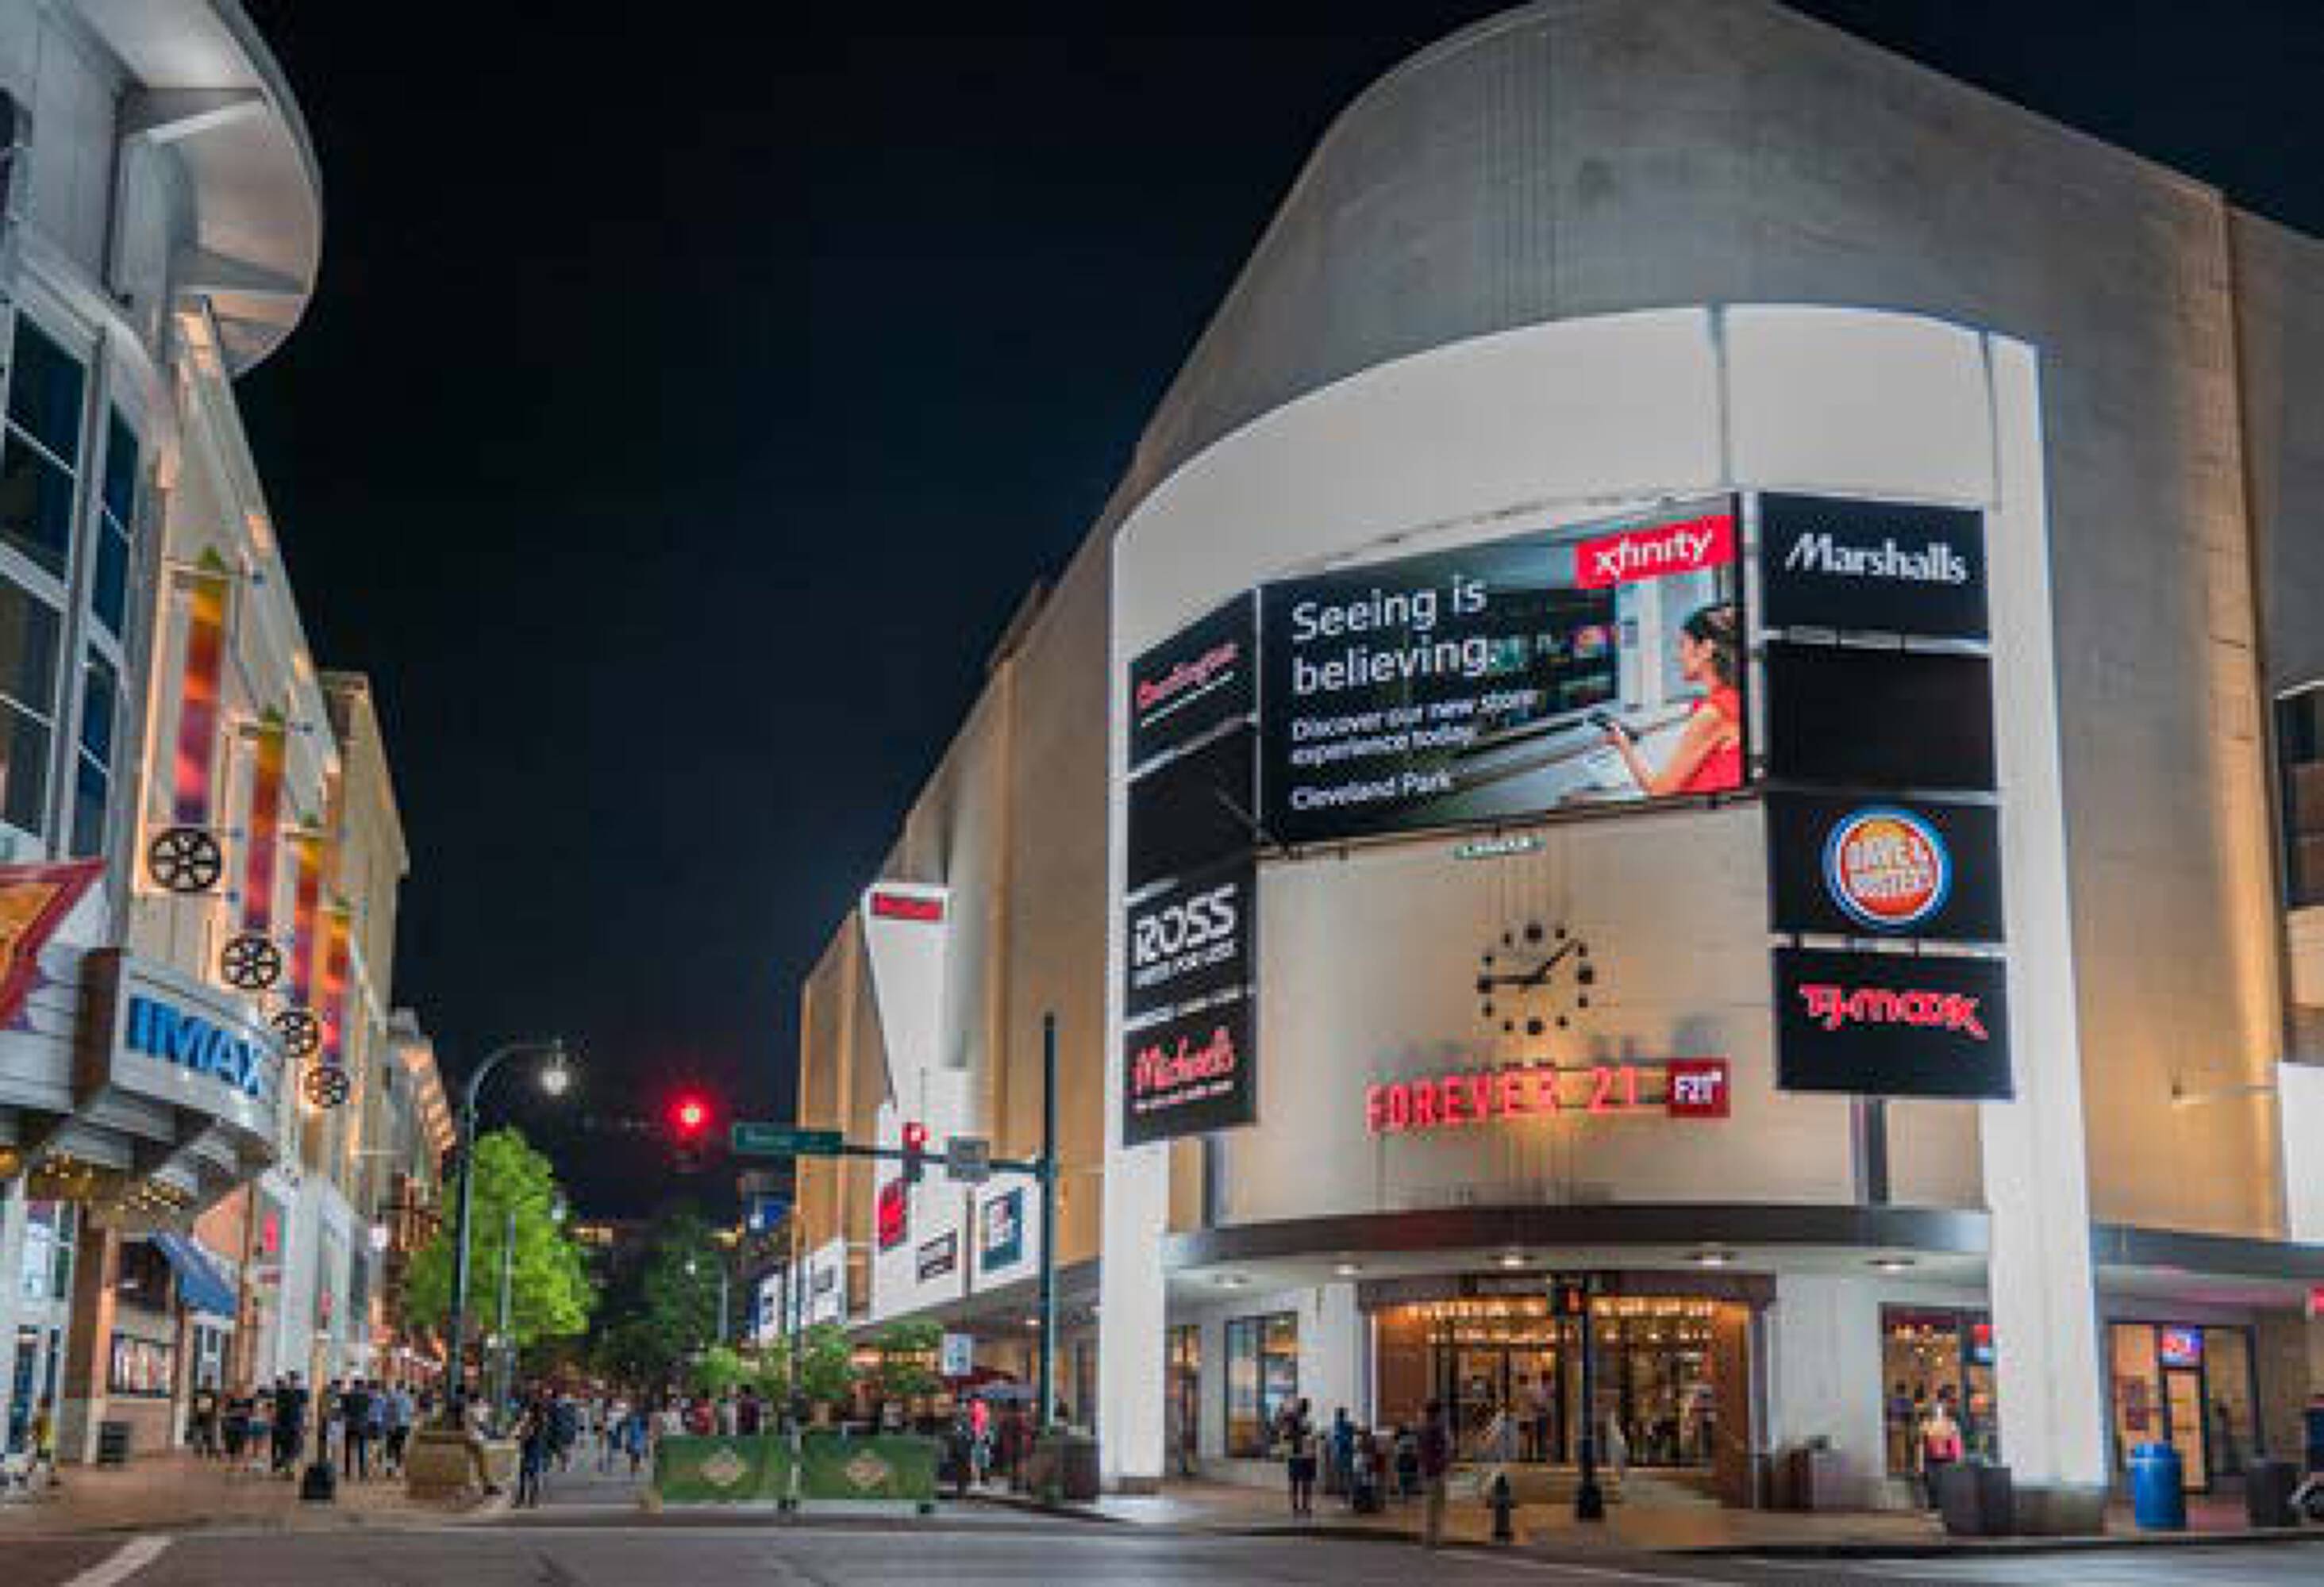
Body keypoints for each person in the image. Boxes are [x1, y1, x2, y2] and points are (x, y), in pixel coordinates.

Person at [1603, 601, 1742, 797]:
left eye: (1683, 644)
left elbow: (1660, 790)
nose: (1678, 656)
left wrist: (1624, 747)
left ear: (1706, 649)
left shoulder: (1714, 713)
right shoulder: (1734, 698)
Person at [1916, 1392, 1964, 1508]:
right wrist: (1920, 1462)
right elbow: (1922, 1443)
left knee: (1944, 1481)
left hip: (1946, 1456)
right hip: (1932, 1456)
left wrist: (1958, 1456)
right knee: (1931, 1481)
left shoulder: (1951, 1424)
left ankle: (1943, 1503)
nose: (1939, 1413)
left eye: (1941, 1411)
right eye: (1936, 1411)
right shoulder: (1926, 1425)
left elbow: (1956, 1441)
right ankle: (1934, 1503)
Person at [1419, 1399, 1452, 1549]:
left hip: (1428, 1470)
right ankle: (1436, 1539)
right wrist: (1445, 1460)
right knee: (1437, 1507)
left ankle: (1429, 1538)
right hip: (1437, 1470)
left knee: (1429, 1506)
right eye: (1441, 1412)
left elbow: (1422, 1451)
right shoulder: (1437, 1428)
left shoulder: (1424, 1428)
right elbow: (1443, 1450)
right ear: (1437, 1413)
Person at [515, 1394, 552, 1509]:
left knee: (526, 1473)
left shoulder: (534, 1422)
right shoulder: (541, 1420)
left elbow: (526, 1435)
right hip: (536, 1448)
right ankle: (532, 1499)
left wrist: (520, 1436)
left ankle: (524, 1499)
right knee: (532, 1474)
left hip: (530, 1448)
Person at [341, 1378, 373, 1481]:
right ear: (362, 1386)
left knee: (348, 1450)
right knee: (362, 1450)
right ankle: (362, 1473)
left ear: (354, 1385)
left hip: (350, 1425)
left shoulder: (347, 1396)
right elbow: (368, 1410)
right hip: (362, 1425)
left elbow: (343, 1411)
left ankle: (347, 1473)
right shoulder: (367, 1397)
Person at [29, 1395, 58, 1490]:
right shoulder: (40, 1414)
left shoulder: (46, 1414)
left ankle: (52, 1478)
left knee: (46, 1460)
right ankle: (28, 1476)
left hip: (46, 1441)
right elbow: (34, 1427)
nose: (51, 1405)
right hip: (42, 1441)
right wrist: (35, 1438)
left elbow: (45, 1429)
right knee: (38, 1460)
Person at [1328, 1408, 1356, 1503]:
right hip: (1342, 1452)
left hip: (1344, 1452)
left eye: (1339, 1415)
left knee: (1345, 1474)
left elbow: (1343, 1439)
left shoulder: (1345, 1426)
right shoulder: (1339, 1425)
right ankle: (1344, 1494)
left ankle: (1346, 1494)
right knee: (1343, 1474)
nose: (1338, 1417)